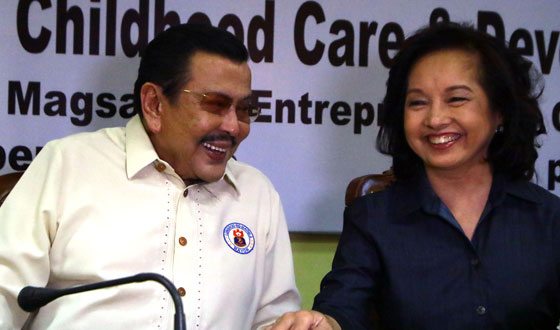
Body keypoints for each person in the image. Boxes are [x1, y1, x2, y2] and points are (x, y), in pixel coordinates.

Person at [0, 23, 300, 329]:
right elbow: (4, 294)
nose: (234, 127)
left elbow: (273, 318)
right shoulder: (68, 165)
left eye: (245, 109)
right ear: (154, 105)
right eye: (215, 105)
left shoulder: (257, 193)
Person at [269, 22, 560, 330]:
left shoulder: (549, 219)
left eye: (456, 99)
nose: (435, 119)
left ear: (499, 111)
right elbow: (343, 308)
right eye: (417, 102)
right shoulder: (373, 219)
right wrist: (323, 323)